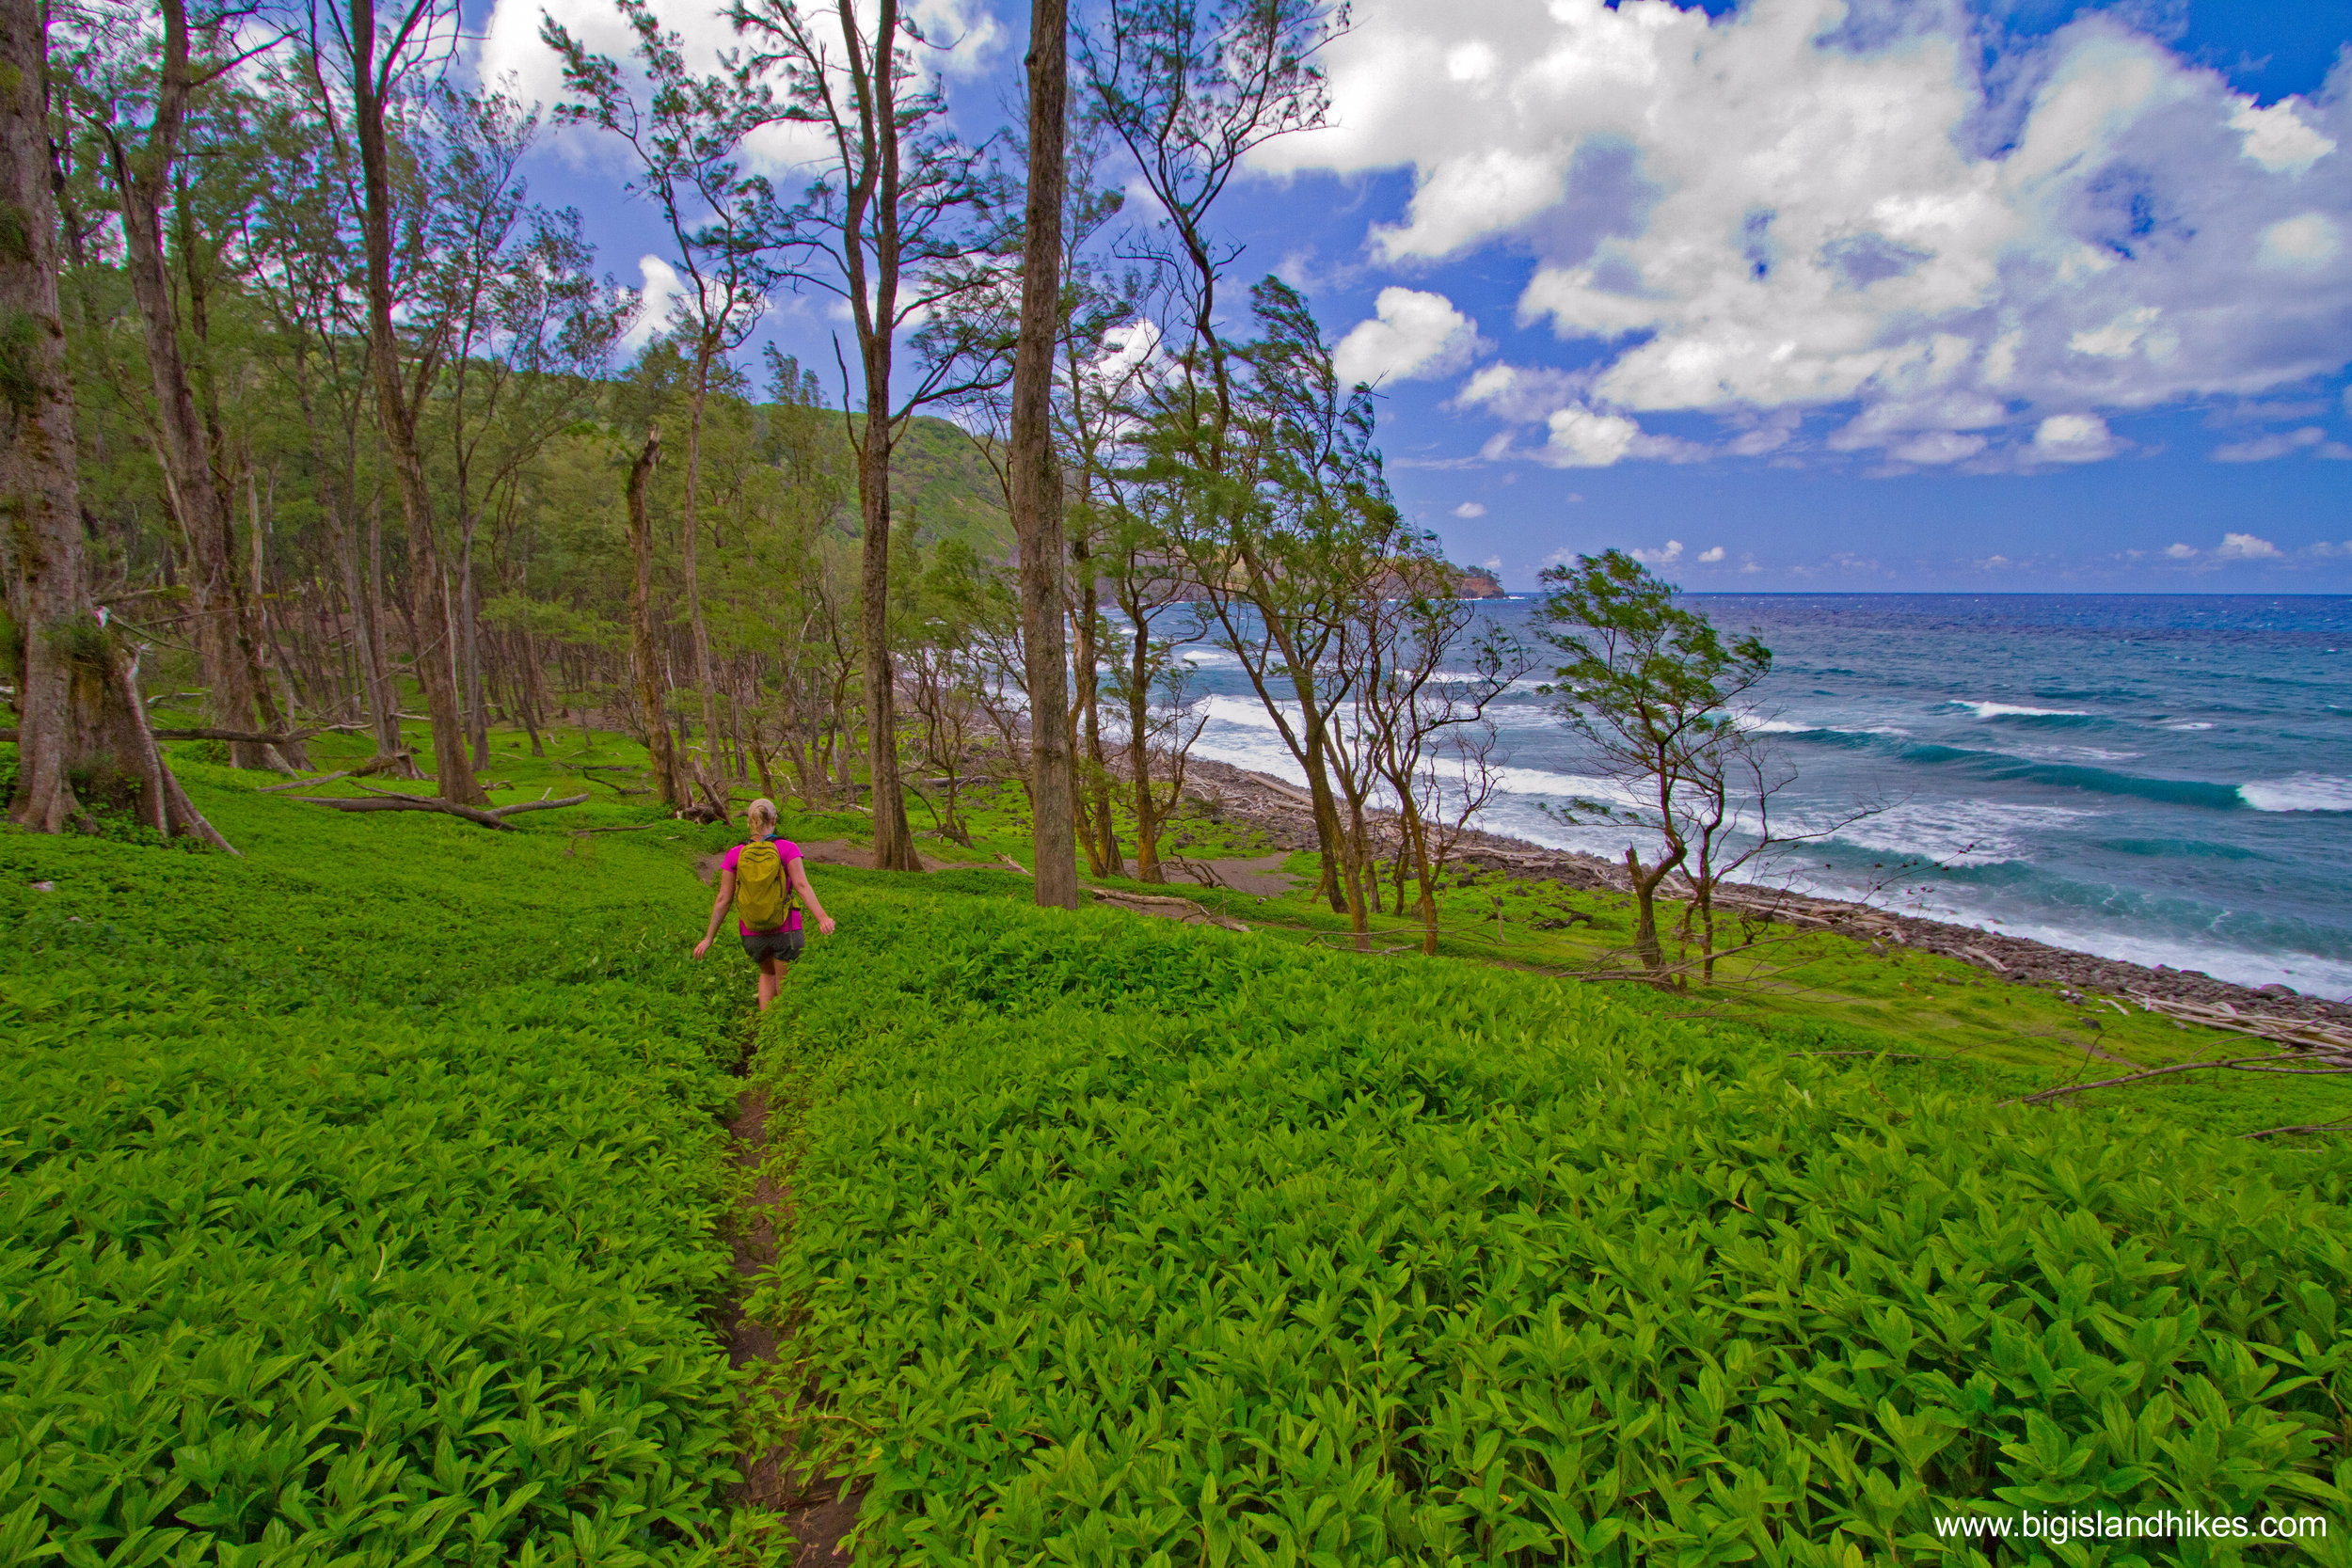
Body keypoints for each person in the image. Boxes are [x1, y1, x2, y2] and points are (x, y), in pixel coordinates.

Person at [692, 798, 835, 1008]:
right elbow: (802, 886)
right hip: (786, 930)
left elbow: (724, 899)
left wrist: (709, 937)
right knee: (785, 983)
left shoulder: (735, 854)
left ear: (749, 822)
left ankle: (765, 1026)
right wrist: (822, 918)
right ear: (774, 820)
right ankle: (782, 1032)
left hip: (751, 933)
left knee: (767, 974)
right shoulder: (787, 849)